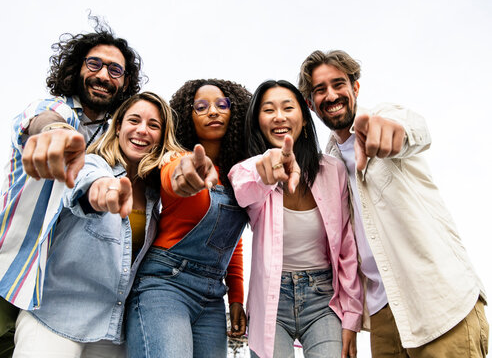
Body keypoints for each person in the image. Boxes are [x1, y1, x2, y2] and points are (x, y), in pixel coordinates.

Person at [298, 49, 489, 357]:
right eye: (320, 90)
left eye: (338, 84)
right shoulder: (328, 167)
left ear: (355, 88)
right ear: (310, 104)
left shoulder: (384, 116)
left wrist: (392, 132)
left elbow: (414, 128)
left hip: (438, 304)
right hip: (383, 317)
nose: (331, 95)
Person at [0, 17, 143, 357]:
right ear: (76, 68)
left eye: (115, 70)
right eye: (95, 64)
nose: (103, 75)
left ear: (125, 82)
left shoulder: (114, 142)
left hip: (54, 297)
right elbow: (42, 120)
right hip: (4, 270)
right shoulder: (54, 109)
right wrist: (53, 133)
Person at [12, 91, 182, 358]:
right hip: (56, 319)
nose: (142, 130)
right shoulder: (93, 163)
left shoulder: (155, 197)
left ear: (162, 137)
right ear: (118, 127)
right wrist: (101, 192)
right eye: (134, 120)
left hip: (110, 332)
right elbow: (87, 185)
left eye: (153, 125)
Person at [228, 80, 363, 358]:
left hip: (323, 298)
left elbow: (347, 250)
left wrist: (351, 315)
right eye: (268, 110)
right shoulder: (250, 169)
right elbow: (241, 189)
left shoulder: (332, 171)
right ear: (258, 122)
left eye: (288, 107)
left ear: (303, 116)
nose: (279, 116)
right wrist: (266, 169)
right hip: (270, 300)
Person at [126, 79, 251, 357]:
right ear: (187, 116)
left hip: (212, 298)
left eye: (222, 105)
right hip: (165, 285)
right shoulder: (176, 158)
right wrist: (185, 174)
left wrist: (236, 297)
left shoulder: (238, 176)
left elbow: (231, 240)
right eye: (201, 107)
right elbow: (174, 176)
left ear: (236, 112)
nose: (213, 112)